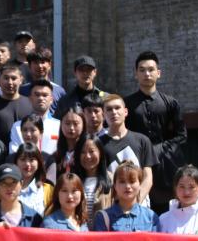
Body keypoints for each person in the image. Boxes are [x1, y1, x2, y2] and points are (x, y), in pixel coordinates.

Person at [125, 51, 187, 214]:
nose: (147, 74)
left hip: (165, 165)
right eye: (142, 70)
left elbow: (181, 136)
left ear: (158, 73)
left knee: (168, 211)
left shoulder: (171, 103)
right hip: (136, 165)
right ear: (136, 74)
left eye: (151, 69)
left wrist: (157, 150)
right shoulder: (127, 104)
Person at [99, 94, 159, 206]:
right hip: (112, 207)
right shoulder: (98, 144)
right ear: (103, 115)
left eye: (117, 108)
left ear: (125, 111)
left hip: (141, 206)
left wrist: (136, 203)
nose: (114, 112)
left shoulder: (142, 140)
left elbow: (148, 177)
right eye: (109, 109)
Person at [0, 62, 33, 146]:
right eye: (6, 78)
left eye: (14, 78)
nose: (10, 82)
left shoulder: (31, 104)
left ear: (21, 80)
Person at [8, 80, 60, 154]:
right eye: (37, 95)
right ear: (30, 99)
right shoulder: (17, 126)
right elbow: (14, 154)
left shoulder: (59, 126)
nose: (41, 98)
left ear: (51, 100)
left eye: (45, 95)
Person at [71, 136, 113, 224]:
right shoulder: (72, 180)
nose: (88, 156)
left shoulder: (111, 179)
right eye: (83, 152)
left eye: (91, 151)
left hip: (103, 230)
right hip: (78, 230)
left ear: (100, 153)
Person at [47, 104, 86, 182]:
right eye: (67, 123)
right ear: (61, 124)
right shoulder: (55, 153)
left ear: (83, 125)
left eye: (76, 123)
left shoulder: (86, 151)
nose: (71, 128)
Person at [12, 142, 53, 215]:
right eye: (23, 159)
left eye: (31, 160)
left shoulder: (48, 190)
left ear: (39, 163)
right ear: (16, 162)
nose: (27, 164)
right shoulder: (6, 189)